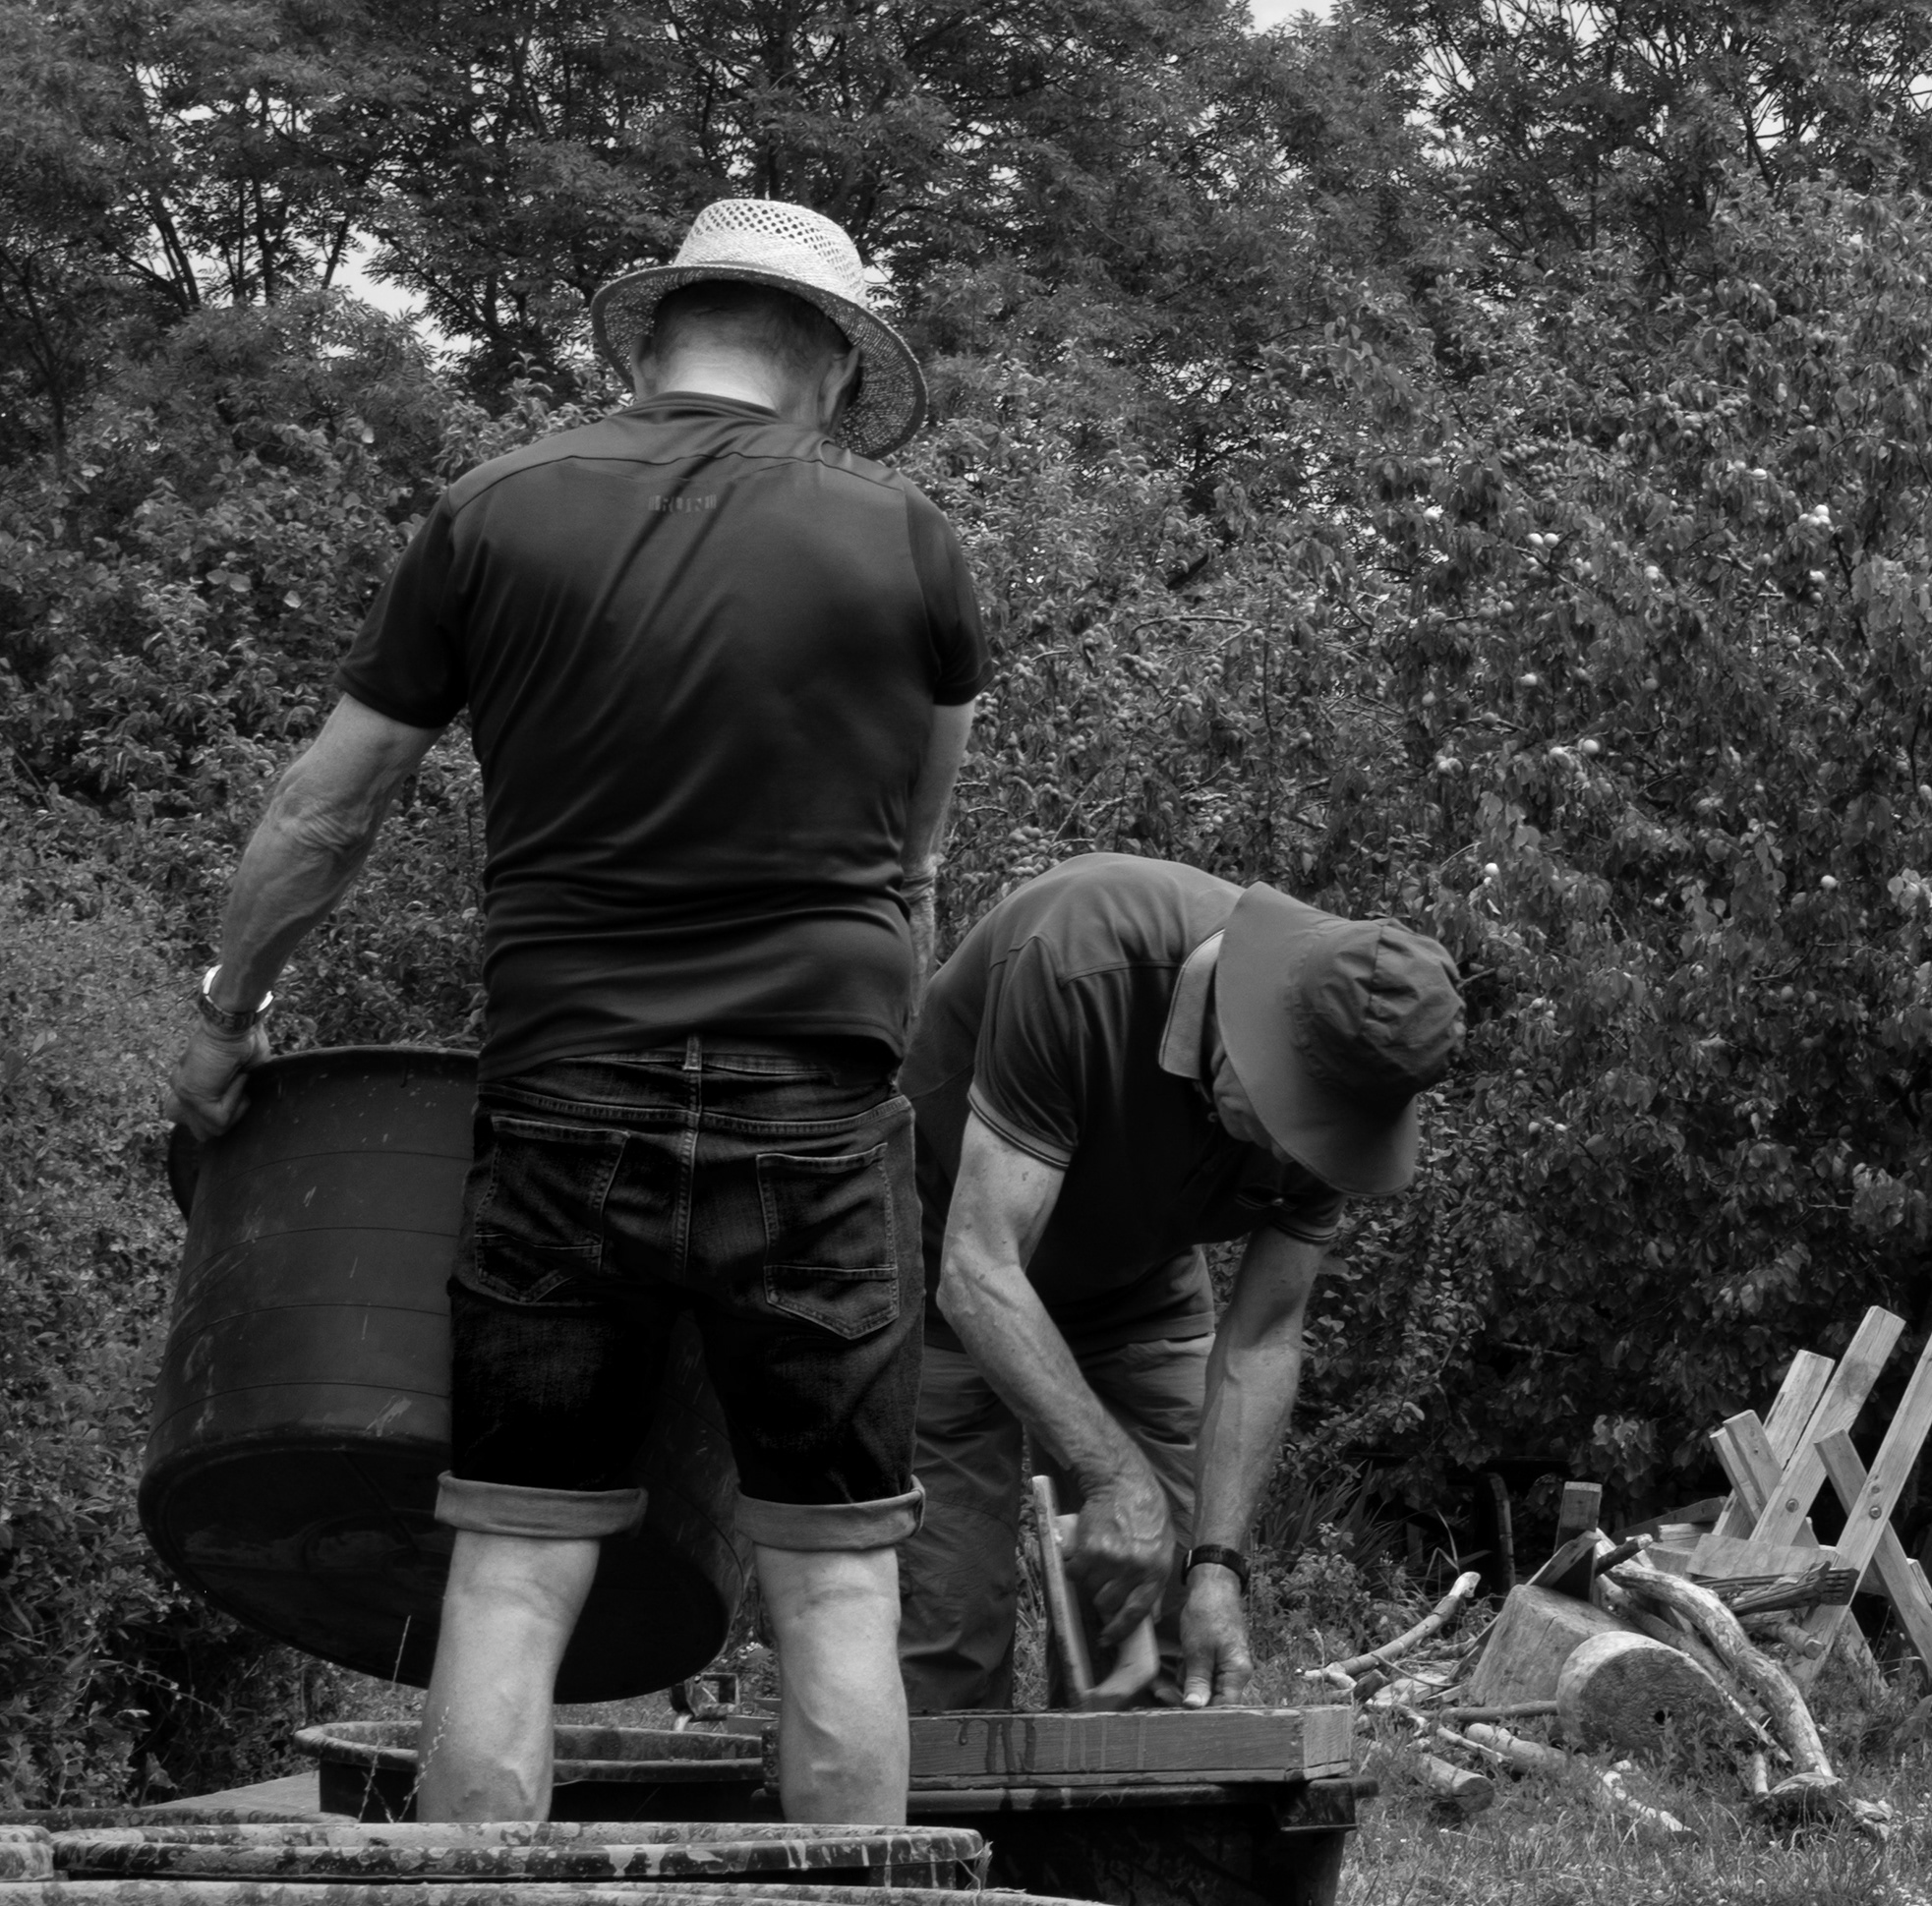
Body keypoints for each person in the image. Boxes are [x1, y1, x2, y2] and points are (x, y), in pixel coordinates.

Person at [165, 199, 985, 1821]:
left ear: (655, 335)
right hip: (813, 1120)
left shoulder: (496, 512)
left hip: (562, 1104)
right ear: (823, 355)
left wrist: (226, 1008)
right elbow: (916, 860)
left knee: (516, 1570)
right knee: (833, 1592)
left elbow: (328, 813)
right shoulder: (907, 544)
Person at [901, 852, 1461, 1711]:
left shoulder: (1351, 1075)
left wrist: (1218, 1568)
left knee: (1169, 1654)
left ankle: (1109, 1842)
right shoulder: (1079, 957)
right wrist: (1115, 1479)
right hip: (944, 1261)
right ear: (1248, 1019)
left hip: (1135, 1285)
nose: (1290, 1154)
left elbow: (1266, 1336)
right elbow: (979, 1273)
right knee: (944, 1635)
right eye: (1289, 1115)